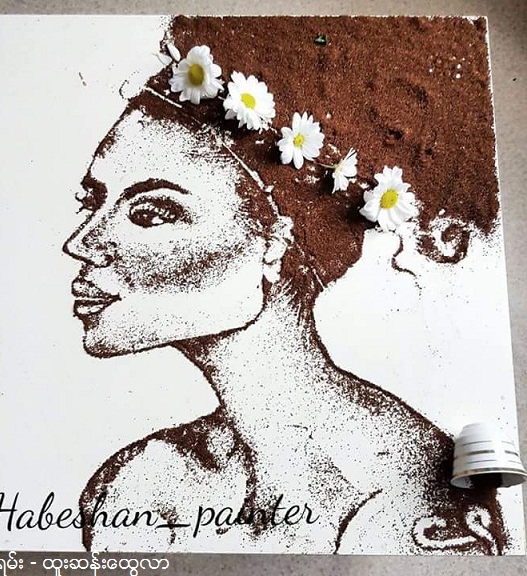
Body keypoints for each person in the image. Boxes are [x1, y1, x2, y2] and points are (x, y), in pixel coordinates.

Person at [62, 16, 509, 553]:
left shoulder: (415, 515)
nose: (80, 243)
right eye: (91, 203)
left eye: (152, 213)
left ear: (275, 242)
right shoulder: (137, 484)